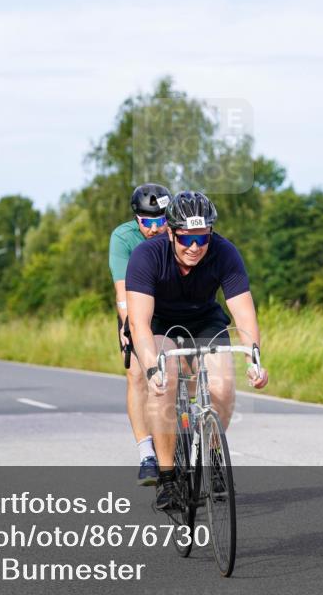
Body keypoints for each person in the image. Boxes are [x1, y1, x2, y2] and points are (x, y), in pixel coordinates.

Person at [125, 191, 269, 511]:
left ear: (210, 233)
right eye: (187, 239)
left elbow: (244, 315)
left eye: (202, 238)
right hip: (159, 322)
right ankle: (167, 478)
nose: (195, 247)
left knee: (223, 385)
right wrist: (152, 368)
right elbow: (139, 324)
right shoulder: (146, 257)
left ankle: (212, 453)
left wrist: (254, 359)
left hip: (204, 319)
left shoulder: (224, 253)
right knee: (166, 381)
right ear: (171, 232)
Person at [108, 183, 172, 486]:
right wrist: (129, 326)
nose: (156, 228)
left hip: (176, 306)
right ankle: (147, 454)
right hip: (138, 309)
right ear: (137, 220)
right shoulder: (123, 238)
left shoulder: (177, 233)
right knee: (137, 375)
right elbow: (123, 294)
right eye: (149, 222)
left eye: (162, 221)